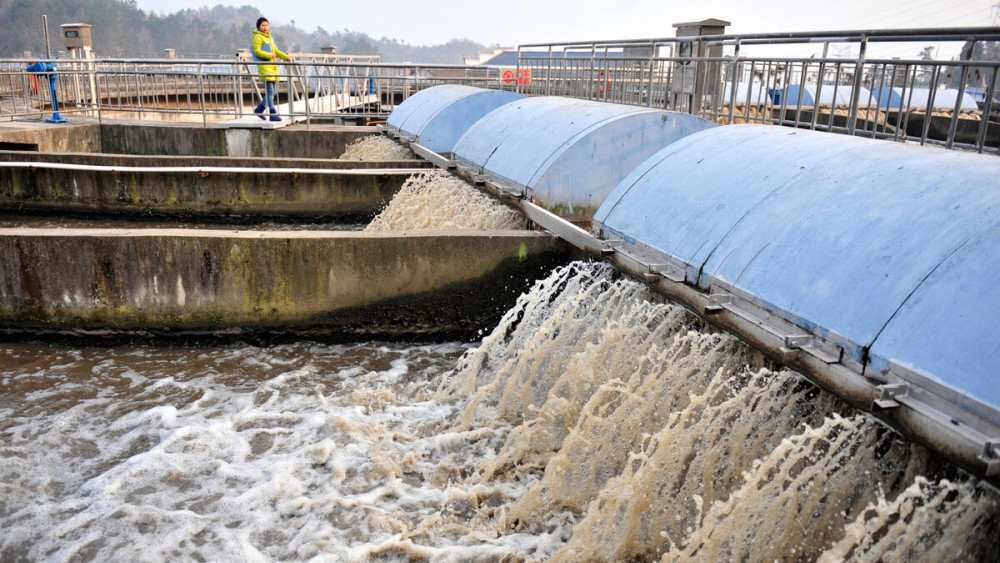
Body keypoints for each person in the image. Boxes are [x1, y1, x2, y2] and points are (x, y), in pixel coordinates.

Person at [251, 17, 293, 121]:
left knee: (274, 92)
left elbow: (276, 51)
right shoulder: (258, 37)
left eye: (267, 25)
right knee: (270, 91)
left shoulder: (269, 37)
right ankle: (272, 113)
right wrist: (270, 55)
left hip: (273, 68)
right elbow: (257, 51)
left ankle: (259, 109)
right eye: (263, 25)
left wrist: (286, 57)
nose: (265, 27)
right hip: (265, 67)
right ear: (259, 27)